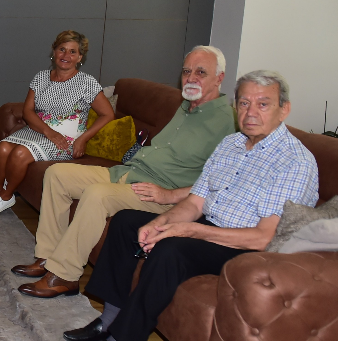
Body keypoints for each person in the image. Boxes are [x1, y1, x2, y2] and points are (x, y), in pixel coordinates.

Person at [66, 70, 318, 341]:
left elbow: (263, 237)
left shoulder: (294, 162)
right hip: (210, 226)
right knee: (126, 221)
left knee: (171, 250)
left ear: (284, 109)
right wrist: (159, 223)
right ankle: (108, 320)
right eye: (244, 103)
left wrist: (190, 231)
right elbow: (196, 202)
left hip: (247, 250)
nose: (251, 112)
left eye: (263, 104)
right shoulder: (231, 144)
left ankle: (124, 336)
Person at [11, 46, 237, 299]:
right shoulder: (187, 106)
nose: (191, 78)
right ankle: (47, 257)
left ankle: (64, 275)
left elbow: (224, 181)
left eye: (201, 72)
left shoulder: (228, 123)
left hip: (160, 193)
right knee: (57, 174)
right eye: (186, 71)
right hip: (131, 173)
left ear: (219, 77)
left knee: (97, 195)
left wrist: (170, 195)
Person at [0, 30, 113, 217]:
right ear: (54, 51)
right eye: (62, 49)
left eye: (72, 52)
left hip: (66, 139)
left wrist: (83, 139)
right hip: (39, 130)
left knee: (20, 153)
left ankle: (6, 196)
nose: (66, 55)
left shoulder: (87, 82)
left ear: (80, 57)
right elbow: (28, 111)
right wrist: (48, 131)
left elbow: (107, 114)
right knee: (3, 147)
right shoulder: (41, 77)